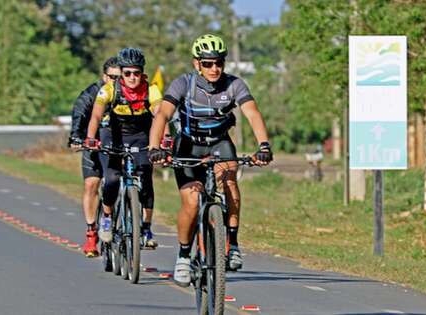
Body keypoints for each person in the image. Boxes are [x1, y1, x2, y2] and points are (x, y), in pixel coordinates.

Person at [147, 34, 273, 287]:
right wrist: (154, 147)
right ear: (197, 64)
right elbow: (162, 115)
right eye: (208, 63)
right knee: (192, 201)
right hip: (188, 145)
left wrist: (264, 146)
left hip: (219, 142)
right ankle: (183, 255)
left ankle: (233, 244)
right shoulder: (183, 84)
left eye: (219, 63)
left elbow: (252, 113)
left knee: (230, 184)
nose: (214, 68)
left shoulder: (234, 85)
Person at [85, 47, 162, 248]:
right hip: (113, 135)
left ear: (142, 73)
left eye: (136, 73)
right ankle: (107, 218)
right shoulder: (109, 89)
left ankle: (146, 227)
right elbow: (95, 115)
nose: (132, 77)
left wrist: (166, 139)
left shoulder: (151, 89)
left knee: (145, 176)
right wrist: (91, 138)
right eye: (127, 73)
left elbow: (160, 115)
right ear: (121, 73)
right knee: (111, 179)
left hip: (140, 136)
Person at [69, 56, 120, 257]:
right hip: (94, 143)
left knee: (117, 181)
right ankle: (91, 232)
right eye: (112, 77)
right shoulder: (91, 94)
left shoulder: (127, 94)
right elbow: (79, 114)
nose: (116, 81)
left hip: (116, 144)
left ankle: (127, 219)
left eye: (119, 77)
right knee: (92, 184)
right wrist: (76, 136)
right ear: (104, 75)